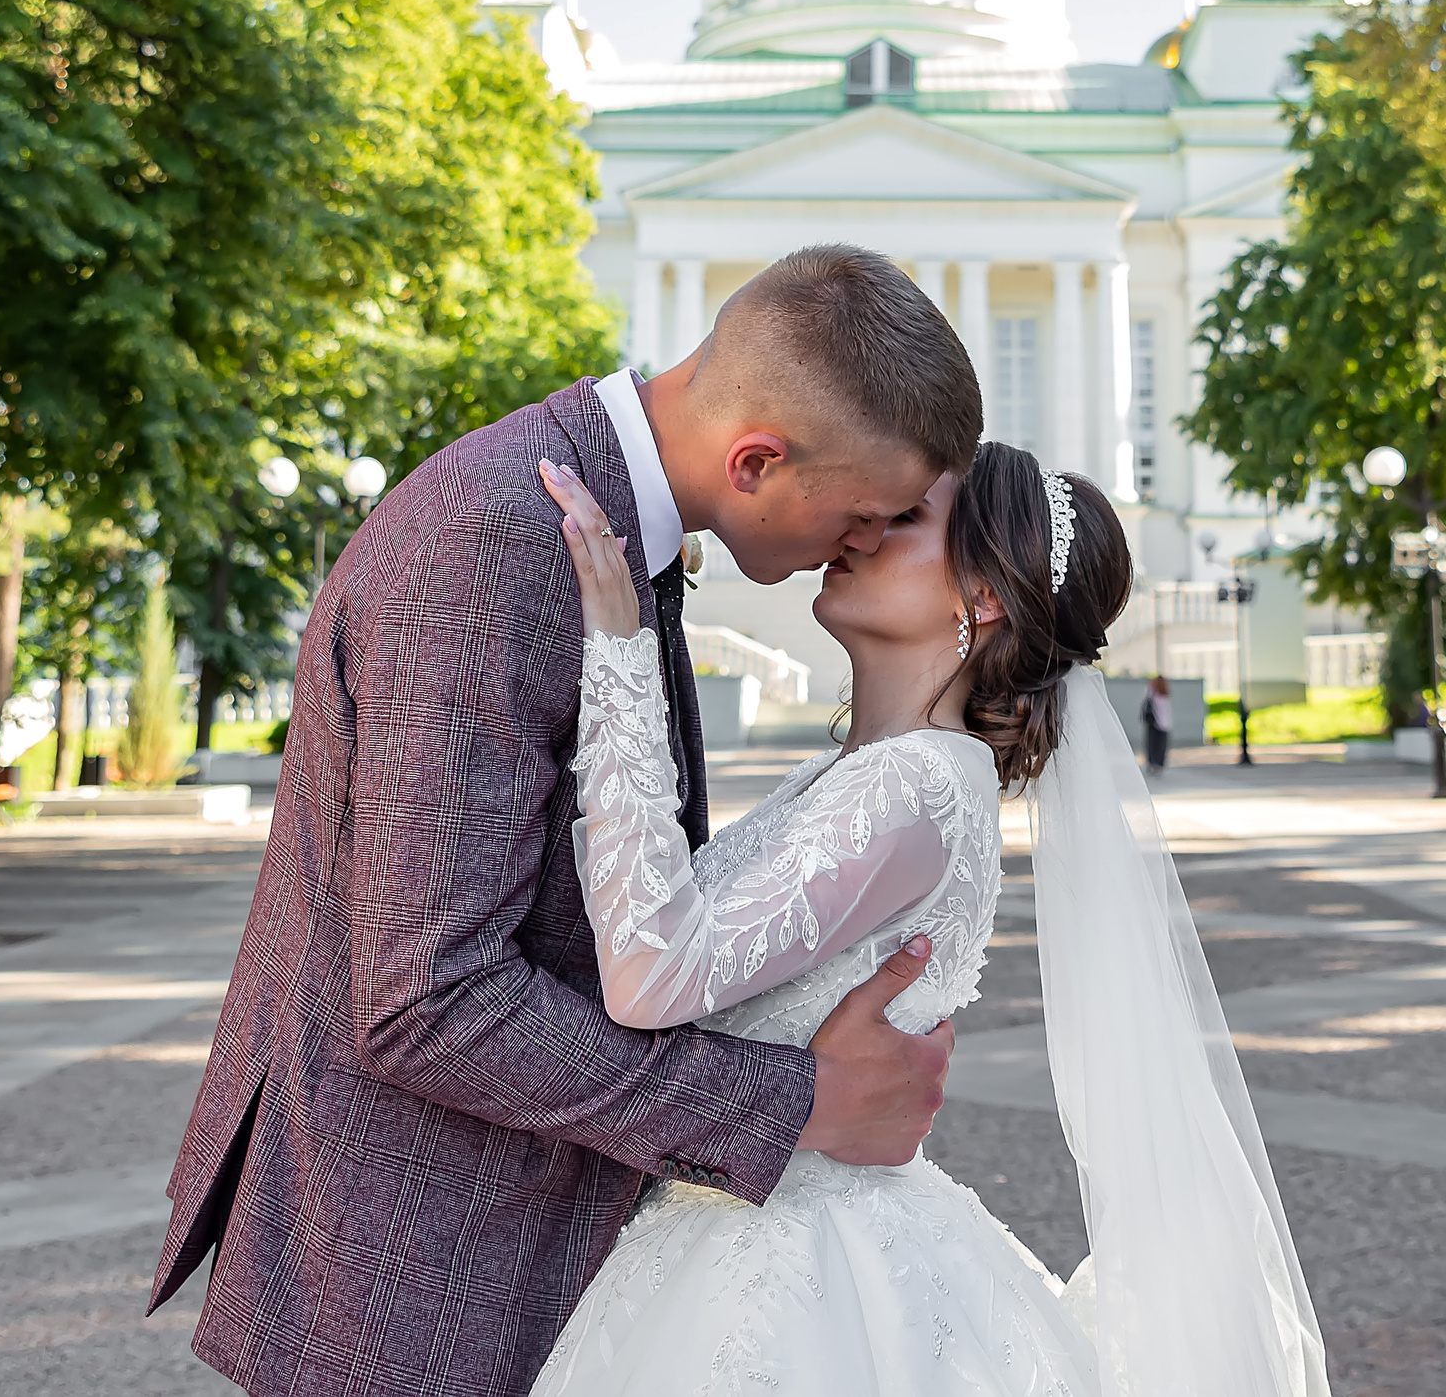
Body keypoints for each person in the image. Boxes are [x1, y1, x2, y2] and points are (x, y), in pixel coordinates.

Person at [148, 247, 984, 1397]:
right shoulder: (499, 539)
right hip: (420, 1269)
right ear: (757, 461)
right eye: (865, 512)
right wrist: (795, 1103)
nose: (863, 541)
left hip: (500, 1240)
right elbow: (427, 999)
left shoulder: (591, 522)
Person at [528, 441, 1330, 1397]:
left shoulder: (918, 783)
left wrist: (621, 655)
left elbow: (653, 972)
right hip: (748, 1223)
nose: (857, 527)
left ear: (982, 595)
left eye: (901, 518)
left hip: (790, 1274)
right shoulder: (868, 773)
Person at [1141, 671, 1174, 769]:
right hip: (1162, 723)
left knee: (1153, 744)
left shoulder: (1154, 695)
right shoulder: (1165, 696)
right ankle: (1158, 763)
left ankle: (1154, 762)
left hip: (1155, 723)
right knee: (1160, 745)